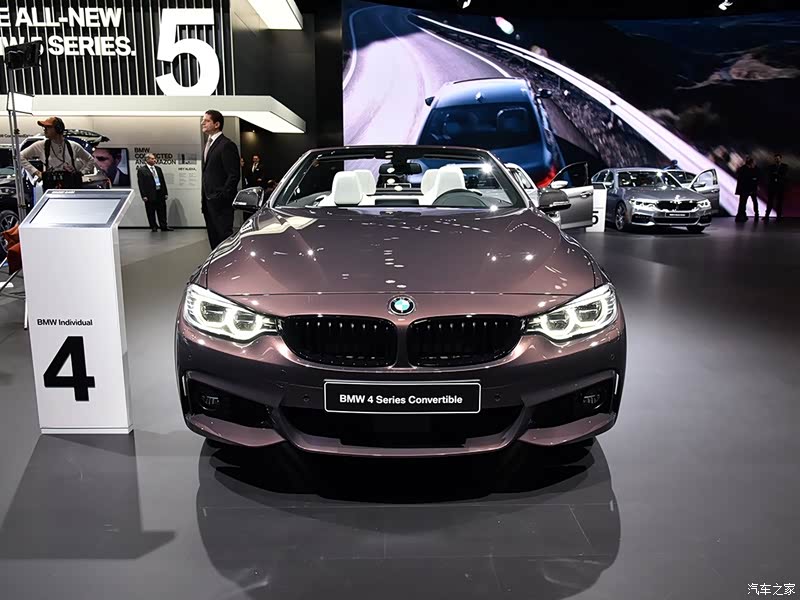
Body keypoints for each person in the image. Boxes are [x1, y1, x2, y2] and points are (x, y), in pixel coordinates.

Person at [19, 116, 100, 191]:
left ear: (58, 129)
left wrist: (81, 173)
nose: (45, 130)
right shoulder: (40, 145)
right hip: (51, 186)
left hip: (71, 186)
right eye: (44, 127)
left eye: (48, 127)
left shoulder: (73, 146)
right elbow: (20, 156)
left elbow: (90, 160)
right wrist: (36, 172)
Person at [201, 110, 240, 249]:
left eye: (207, 121)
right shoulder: (209, 144)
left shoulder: (226, 145)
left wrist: (221, 197)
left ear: (217, 124)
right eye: (203, 120)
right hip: (208, 203)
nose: (203, 123)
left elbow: (233, 175)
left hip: (221, 204)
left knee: (224, 240)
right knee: (213, 240)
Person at [137, 153, 173, 232]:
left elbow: (162, 181)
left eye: (154, 158)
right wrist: (143, 195)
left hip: (160, 192)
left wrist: (165, 192)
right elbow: (141, 184)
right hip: (149, 194)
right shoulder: (142, 170)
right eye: (152, 159)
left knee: (162, 210)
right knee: (151, 211)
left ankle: (163, 226)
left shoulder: (158, 169)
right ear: (147, 159)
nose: (154, 160)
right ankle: (153, 226)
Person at [735, 156, 760, 222]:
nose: (754, 164)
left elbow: (756, 177)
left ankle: (755, 214)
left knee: (752, 202)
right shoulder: (743, 169)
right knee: (743, 203)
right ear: (750, 163)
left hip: (752, 189)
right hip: (745, 189)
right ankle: (741, 216)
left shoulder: (754, 169)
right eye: (753, 163)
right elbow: (744, 180)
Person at [764, 153, 788, 222]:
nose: (777, 160)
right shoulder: (771, 167)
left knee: (779, 202)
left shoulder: (784, 166)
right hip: (772, 186)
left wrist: (776, 174)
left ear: (780, 159)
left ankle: (778, 217)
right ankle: (767, 216)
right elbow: (769, 175)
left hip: (780, 187)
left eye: (778, 158)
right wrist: (777, 174)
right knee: (770, 201)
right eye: (776, 159)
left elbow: (783, 175)